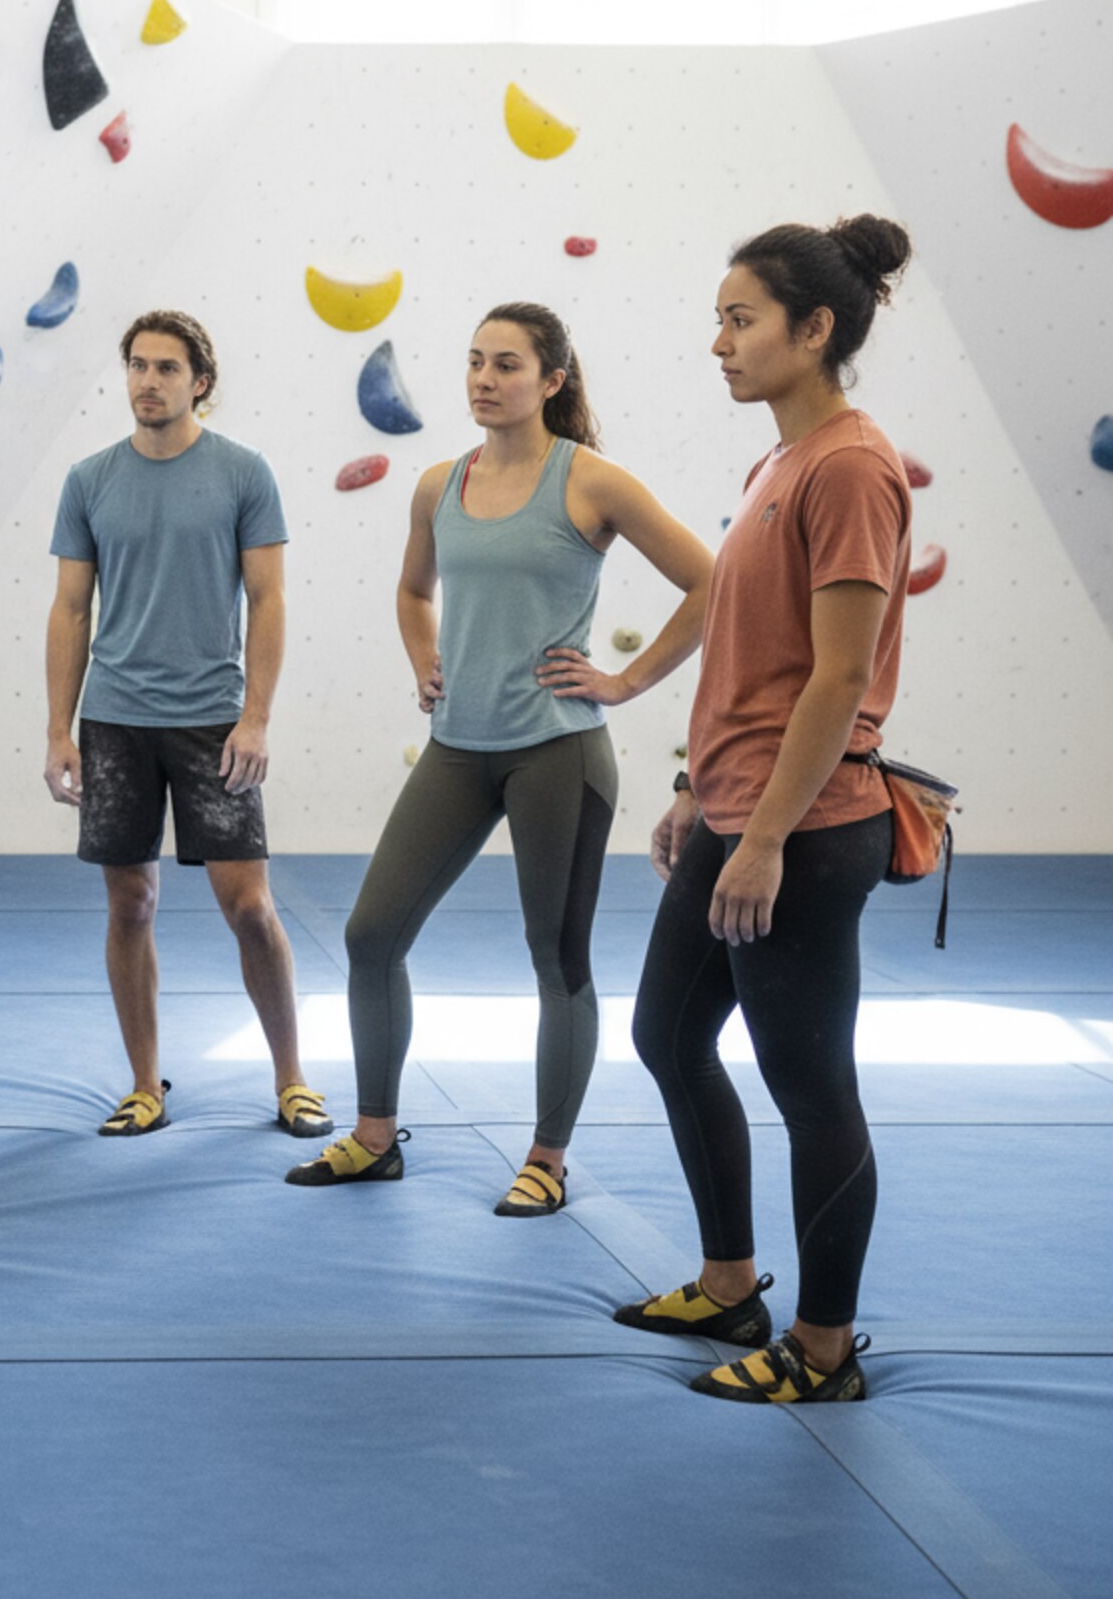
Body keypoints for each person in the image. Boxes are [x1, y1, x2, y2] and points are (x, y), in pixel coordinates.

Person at [287, 304, 712, 1209]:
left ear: (552, 380)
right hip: (458, 747)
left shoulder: (594, 483)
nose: (484, 378)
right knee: (371, 936)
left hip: (558, 751)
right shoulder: (439, 483)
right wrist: (422, 658)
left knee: (555, 960)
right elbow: (412, 591)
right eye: (475, 362)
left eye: (507, 365)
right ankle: (374, 1135)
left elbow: (714, 584)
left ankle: (547, 1160)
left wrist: (627, 681)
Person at [614, 216, 914, 1404]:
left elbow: (838, 678)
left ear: (815, 328)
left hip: (805, 825)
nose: (717, 343)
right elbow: (753, 655)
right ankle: (729, 1279)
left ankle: (824, 1348)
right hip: (738, 810)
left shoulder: (846, 466)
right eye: (720, 318)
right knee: (666, 1034)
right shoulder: (774, 466)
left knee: (808, 1083)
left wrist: (770, 838)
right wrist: (698, 789)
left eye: (740, 319)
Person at [44, 310, 330, 1140]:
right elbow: (70, 609)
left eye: (167, 368)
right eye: (137, 365)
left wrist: (257, 718)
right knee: (129, 902)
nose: (147, 381)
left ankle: (292, 1078)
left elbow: (269, 599)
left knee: (249, 907)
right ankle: (144, 1085)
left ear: (199, 381)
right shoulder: (90, 479)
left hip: (214, 723)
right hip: (115, 722)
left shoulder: (244, 472)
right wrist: (60, 731)